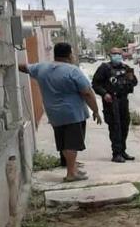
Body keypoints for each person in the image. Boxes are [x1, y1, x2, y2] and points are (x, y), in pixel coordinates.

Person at [18, 42, 102, 182]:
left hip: (54, 114)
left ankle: (73, 169)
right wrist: (96, 110)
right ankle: (71, 174)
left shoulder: (41, 67)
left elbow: (23, 67)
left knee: (63, 143)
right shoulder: (72, 70)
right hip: (72, 113)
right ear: (69, 55)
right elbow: (87, 92)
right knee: (72, 144)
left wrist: (9, 64)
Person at [92, 47, 138, 163]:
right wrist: (104, 94)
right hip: (111, 101)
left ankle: (122, 151)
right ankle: (116, 153)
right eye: (114, 54)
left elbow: (134, 82)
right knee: (115, 126)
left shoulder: (125, 68)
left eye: (119, 54)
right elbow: (96, 84)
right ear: (110, 55)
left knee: (124, 125)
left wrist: (131, 78)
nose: (117, 56)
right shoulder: (104, 68)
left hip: (123, 101)